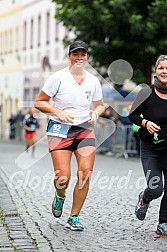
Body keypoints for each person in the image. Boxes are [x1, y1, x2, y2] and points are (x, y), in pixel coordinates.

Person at [35, 41, 105, 231]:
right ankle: (60, 195)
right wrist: (57, 112)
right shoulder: (57, 78)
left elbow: (100, 104)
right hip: (60, 129)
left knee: (85, 173)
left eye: (83, 55)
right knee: (63, 178)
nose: (79, 58)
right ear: (69, 56)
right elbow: (39, 102)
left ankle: (74, 216)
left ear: (87, 57)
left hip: (84, 128)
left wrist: (96, 112)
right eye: (76, 54)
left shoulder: (93, 80)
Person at [129, 55, 167, 236]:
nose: (164, 71)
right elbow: (133, 115)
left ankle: (163, 222)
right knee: (156, 188)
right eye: (161, 68)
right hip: (150, 148)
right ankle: (144, 199)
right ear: (155, 71)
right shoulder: (146, 92)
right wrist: (145, 123)